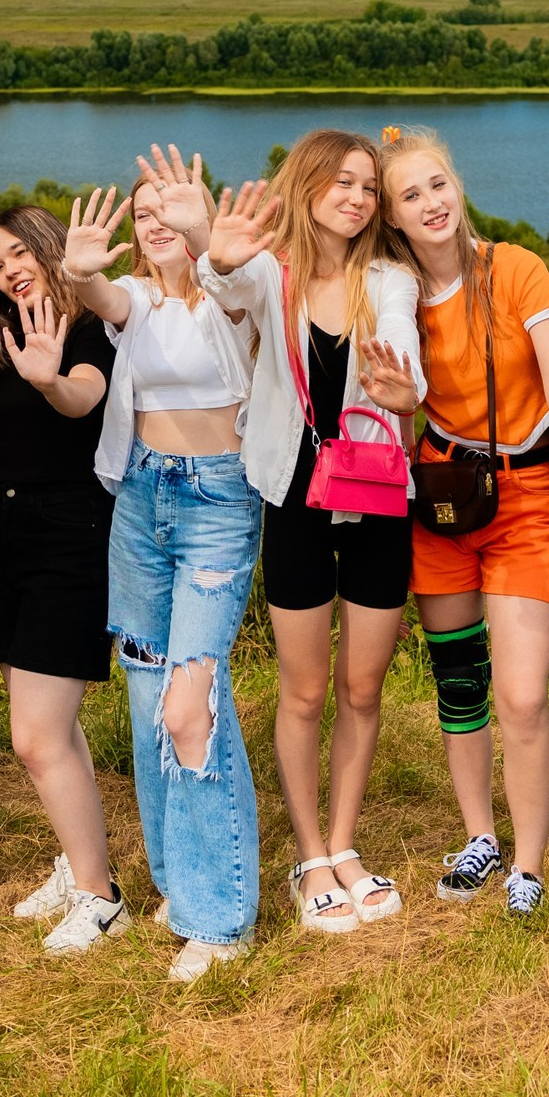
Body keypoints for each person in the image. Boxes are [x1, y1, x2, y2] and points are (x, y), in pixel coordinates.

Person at [376, 127, 549, 918]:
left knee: (523, 697)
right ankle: (479, 838)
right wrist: (403, 409)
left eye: (437, 185)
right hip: (442, 498)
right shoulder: (393, 297)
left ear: (457, 186)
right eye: (409, 195)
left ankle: (528, 862)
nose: (430, 203)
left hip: (525, 499)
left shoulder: (516, 268)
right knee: (460, 682)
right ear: (391, 218)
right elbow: (403, 411)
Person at [197, 129, 424, 937]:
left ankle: (345, 843)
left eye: (369, 186)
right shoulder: (271, 271)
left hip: (378, 500)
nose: (358, 197)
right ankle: (307, 856)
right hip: (292, 497)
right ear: (308, 184)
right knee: (304, 689)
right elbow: (223, 286)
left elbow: (406, 350)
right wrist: (217, 257)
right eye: (343, 182)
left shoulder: (389, 279)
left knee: (363, 688)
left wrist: (406, 390)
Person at [63, 148, 269, 981]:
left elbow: (238, 296)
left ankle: (222, 921)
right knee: (151, 699)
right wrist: (80, 278)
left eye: (169, 209)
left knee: (192, 702)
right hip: (141, 503)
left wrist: (209, 243)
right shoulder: (138, 302)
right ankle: (181, 885)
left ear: (201, 212)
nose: (154, 223)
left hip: (219, 504)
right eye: (142, 213)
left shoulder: (238, 287)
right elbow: (106, 297)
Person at [0, 204, 128, 957]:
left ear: (50, 249)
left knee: (36, 735)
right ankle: (78, 862)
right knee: (54, 730)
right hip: (9, 535)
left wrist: (47, 380)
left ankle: (101, 897)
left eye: (21, 252)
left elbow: (84, 396)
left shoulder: (89, 329)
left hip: (71, 537)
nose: (10, 268)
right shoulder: (9, 335)